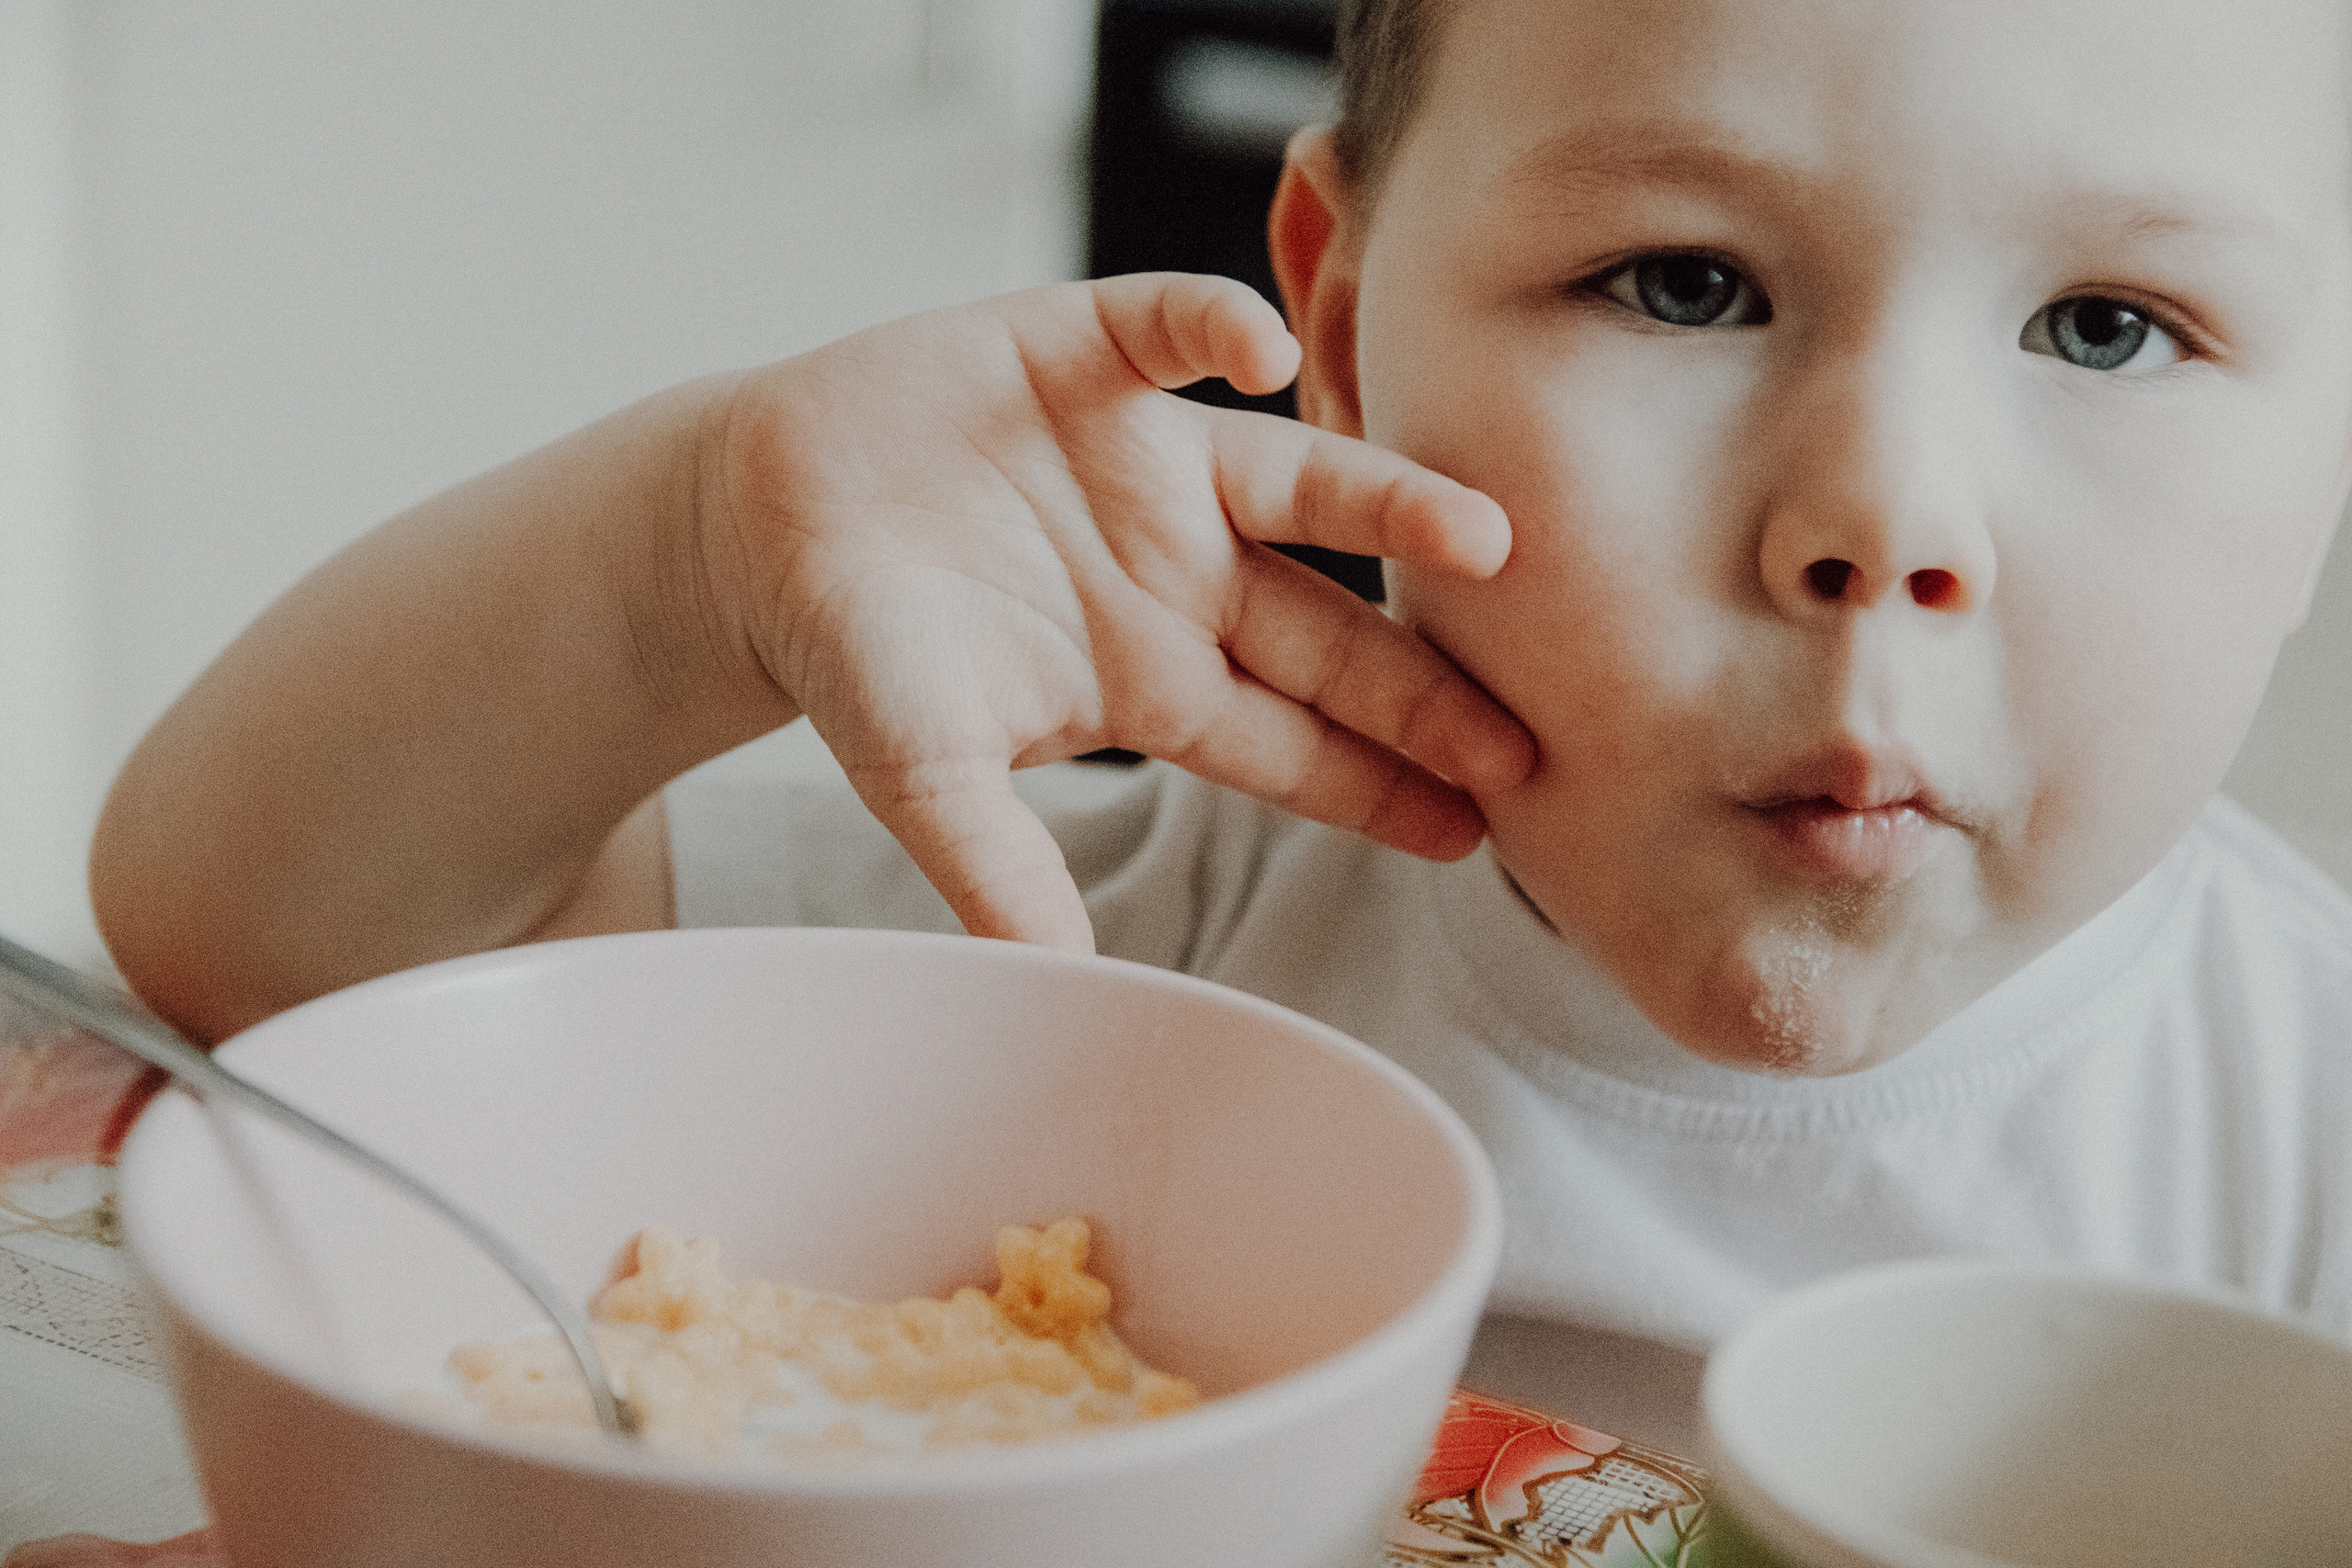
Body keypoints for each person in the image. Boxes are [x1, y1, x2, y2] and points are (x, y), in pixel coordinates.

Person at [88, 0, 2352, 1446]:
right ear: (1342, 334)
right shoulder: (1107, 956)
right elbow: (277, 951)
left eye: (2111, 326)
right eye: (1683, 281)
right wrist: (688, 546)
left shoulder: (2305, 1133)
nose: (1877, 518)